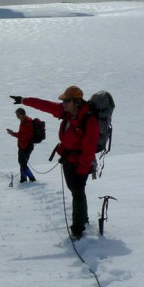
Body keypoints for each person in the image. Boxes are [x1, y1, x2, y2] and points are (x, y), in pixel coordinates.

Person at [11, 86, 99, 239]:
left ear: (76, 101)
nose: (63, 103)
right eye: (63, 100)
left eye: (66, 100)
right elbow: (45, 105)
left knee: (77, 191)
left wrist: (83, 170)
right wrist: (24, 101)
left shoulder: (89, 120)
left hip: (79, 163)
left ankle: (78, 229)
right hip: (68, 159)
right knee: (76, 191)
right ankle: (83, 221)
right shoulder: (67, 112)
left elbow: (89, 149)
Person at [7, 108, 37, 183]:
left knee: (23, 163)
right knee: (22, 162)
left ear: (22, 114)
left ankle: (32, 178)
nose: (17, 117)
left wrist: (13, 134)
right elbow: (22, 135)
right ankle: (23, 179)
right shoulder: (23, 122)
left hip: (26, 146)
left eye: (18, 115)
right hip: (22, 146)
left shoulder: (28, 122)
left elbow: (24, 136)